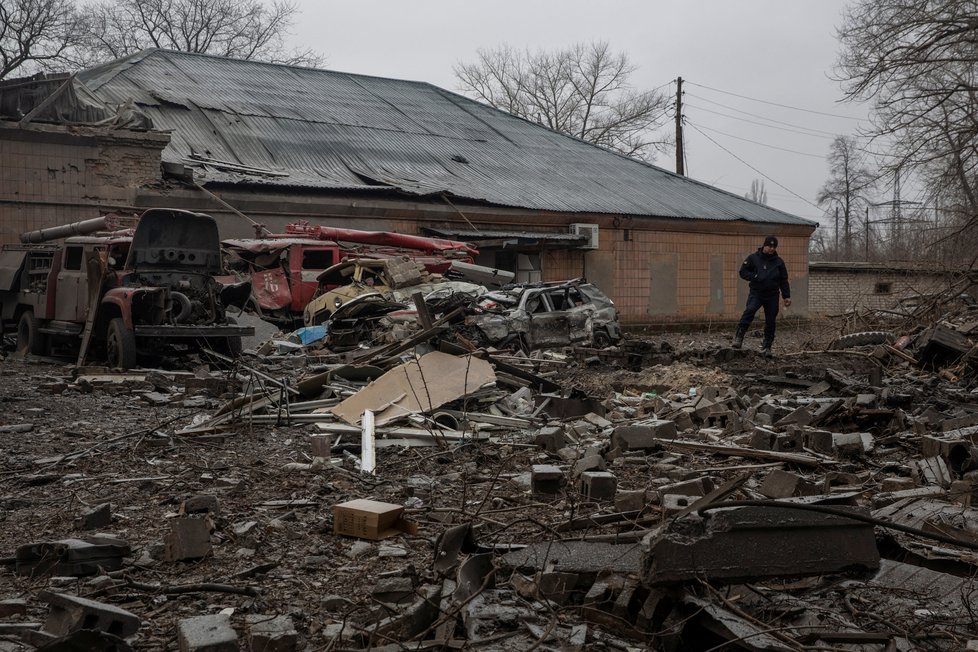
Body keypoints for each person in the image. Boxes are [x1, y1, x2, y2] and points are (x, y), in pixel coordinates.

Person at [732, 235, 791, 356]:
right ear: (764, 245)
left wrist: (786, 296)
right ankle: (738, 338)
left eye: (774, 247)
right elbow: (743, 272)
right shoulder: (754, 258)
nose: (772, 249)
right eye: (770, 246)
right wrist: (754, 276)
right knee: (749, 311)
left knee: (771, 321)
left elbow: (784, 280)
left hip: (772, 295)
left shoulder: (779, 262)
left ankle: (767, 346)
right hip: (757, 293)